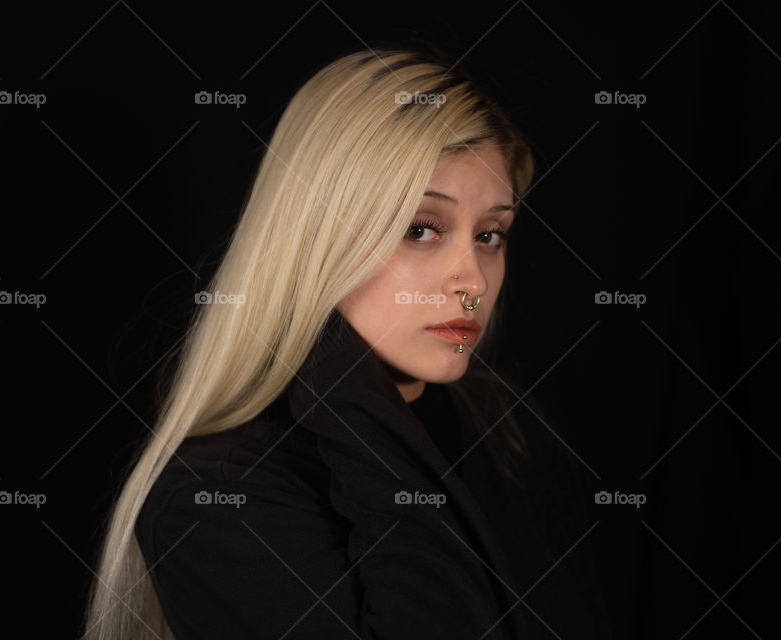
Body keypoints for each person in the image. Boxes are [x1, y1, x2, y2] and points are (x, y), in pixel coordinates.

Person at [83, 47, 611, 639]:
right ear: (315, 239)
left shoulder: (507, 434)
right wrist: (341, 388)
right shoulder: (214, 496)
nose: (473, 280)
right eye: (420, 229)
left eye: (490, 234)